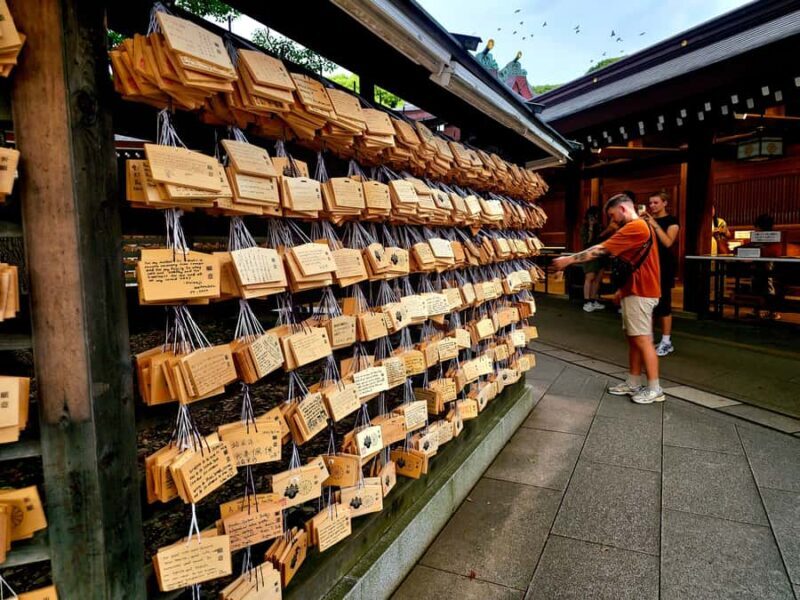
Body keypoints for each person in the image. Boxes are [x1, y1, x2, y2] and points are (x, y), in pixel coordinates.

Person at [552, 193, 663, 404]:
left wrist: (568, 260)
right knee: (634, 339)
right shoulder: (637, 227)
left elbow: (600, 249)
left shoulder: (636, 226)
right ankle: (633, 381)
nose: (613, 221)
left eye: (613, 215)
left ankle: (655, 388)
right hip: (635, 290)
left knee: (642, 339)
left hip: (642, 292)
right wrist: (622, 290)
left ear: (622, 209)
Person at [642, 191, 680, 356]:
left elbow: (668, 242)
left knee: (664, 303)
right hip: (648, 264)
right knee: (648, 303)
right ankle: (648, 339)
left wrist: (654, 224)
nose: (652, 206)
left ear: (665, 203)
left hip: (664, 265)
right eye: (650, 203)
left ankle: (666, 341)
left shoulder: (672, 221)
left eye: (656, 203)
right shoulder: (646, 221)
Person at [580, 206, 605, 312]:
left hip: (601, 254)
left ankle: (593, 299)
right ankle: (587, 301)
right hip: (589, 254)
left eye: (595, 216)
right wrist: (590, 228)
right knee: (589, 277)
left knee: (597, 279)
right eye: (592, 216)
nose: (594, 218)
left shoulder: (600, 227)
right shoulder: (584, 227)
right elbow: (587, 242)